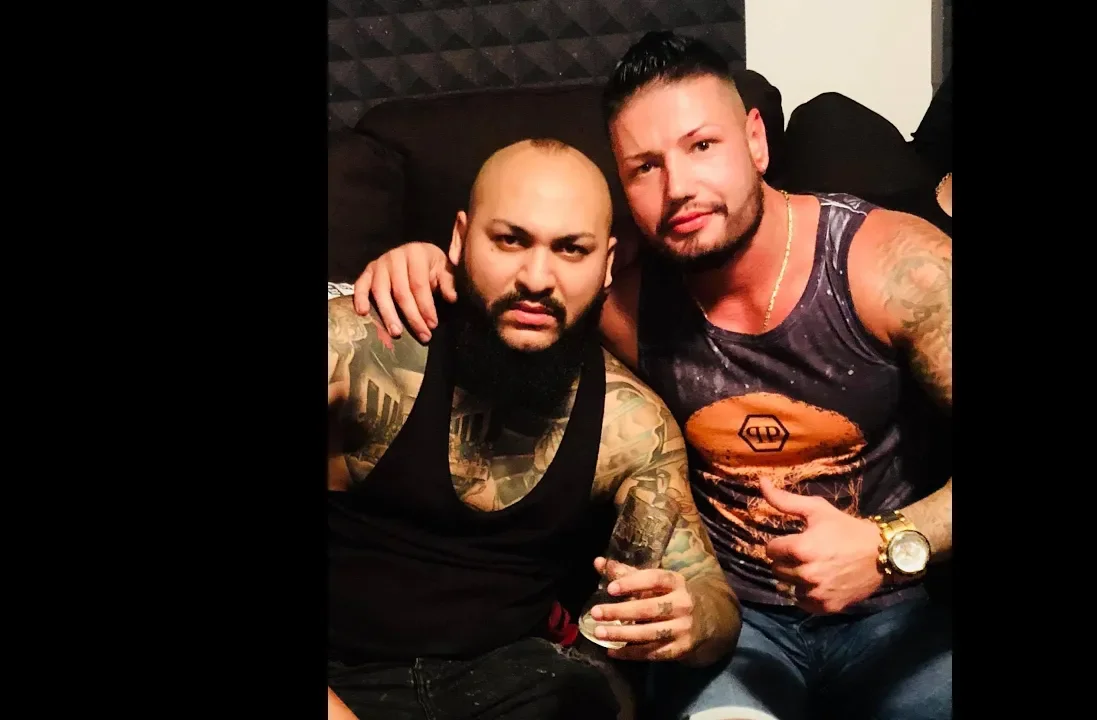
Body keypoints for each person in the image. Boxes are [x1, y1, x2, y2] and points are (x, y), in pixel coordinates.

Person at [349, 32, 952, 720]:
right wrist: (427, 266)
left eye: (703, 146)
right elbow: (516, 283)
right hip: (738, 629)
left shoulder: (892, 267)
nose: (679, 188)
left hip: (891, 612)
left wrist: (890, 544)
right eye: (645, 167)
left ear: (756, 141)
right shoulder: (616, 294)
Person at [326, 137, 741, 720]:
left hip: (511, 683)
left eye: (571, 249)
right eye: (510, 240)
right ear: (459, 239)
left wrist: (691, 619)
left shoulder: (631, 425)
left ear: (607, 265)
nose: (538, 277)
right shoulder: (354, 350)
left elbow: (713, 604)